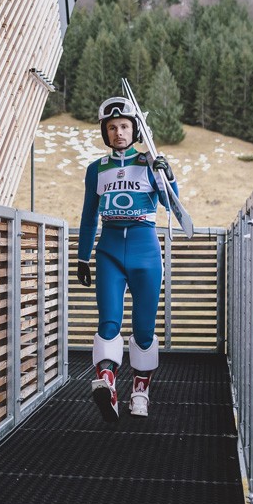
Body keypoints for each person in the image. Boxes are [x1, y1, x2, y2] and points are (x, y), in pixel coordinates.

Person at [77, 96, 178, 421]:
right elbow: (89, 216)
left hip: (144, 248)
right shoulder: (96, 169)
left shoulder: (150, 163)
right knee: (108, 321)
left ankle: (140, 391)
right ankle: (107, 384)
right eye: (112, 127)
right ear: (105, 132)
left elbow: (172, 206)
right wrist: (82, 257)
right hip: (108, 249)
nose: (118, 132)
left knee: (144, 328)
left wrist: (168, 176)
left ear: (135, 130)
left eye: (124, 126)